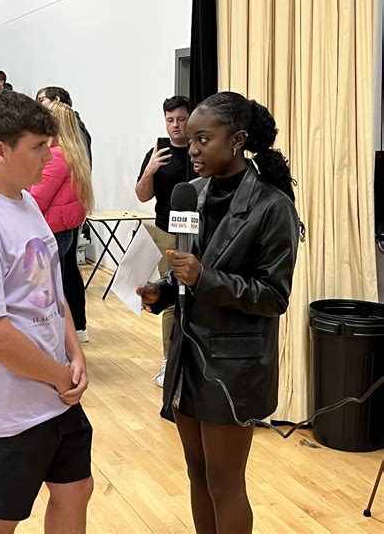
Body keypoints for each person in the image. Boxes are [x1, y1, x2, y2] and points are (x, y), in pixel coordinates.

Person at [137, 92, 301, 534]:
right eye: (189, 139)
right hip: (188, 357)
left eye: (203, 139)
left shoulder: (272, 207)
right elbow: (187, 266)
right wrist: (163, 290)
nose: (192, 150)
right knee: (198, 474)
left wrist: (202, 278)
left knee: (226, 483)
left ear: (237, 140)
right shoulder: (192, 195)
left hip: (234, 365)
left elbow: (273, 296)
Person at [0, 90, 93, 533]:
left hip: (54, 389)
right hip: (7, 404)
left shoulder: (24, 200)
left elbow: (50, 286)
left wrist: (74, 355)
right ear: (0, 151)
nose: (50, 157)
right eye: (38, 147)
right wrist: (60, 375)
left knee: (75, 488)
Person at [135, 95, 193, 387]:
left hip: (198, 233)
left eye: (181, 119)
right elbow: (142, 195)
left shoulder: (201, 150)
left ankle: (192, 361)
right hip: (165, 232)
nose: (175, 126)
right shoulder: (158, 152)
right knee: (170, 297)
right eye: (170, 120)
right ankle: (170, 361)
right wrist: (150, 170)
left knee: (196, 297)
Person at [30, 101, 94, 344]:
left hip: (51, 231)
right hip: (64, 230)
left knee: (46, 295)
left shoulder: (56, 156)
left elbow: (37, 198)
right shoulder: (75, 153)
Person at [37, 86, 92, 163]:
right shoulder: (73, 125)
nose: (38, 105)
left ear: (56, 99)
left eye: (41, 100)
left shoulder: (75, 127)